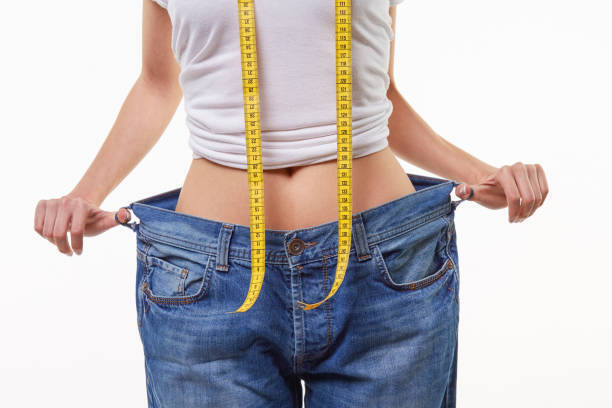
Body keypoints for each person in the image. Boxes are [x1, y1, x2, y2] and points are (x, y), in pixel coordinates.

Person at [34, 0, 548, 406]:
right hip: (207, 286)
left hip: (384, 273)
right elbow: (157, 83)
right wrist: (84, 193)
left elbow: (378, 95)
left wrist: (481, 176)